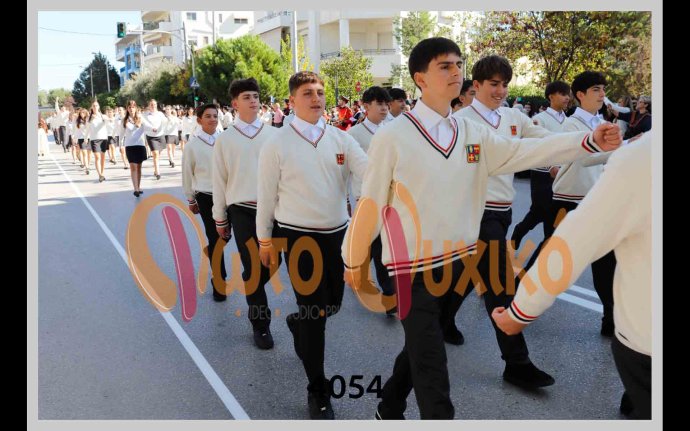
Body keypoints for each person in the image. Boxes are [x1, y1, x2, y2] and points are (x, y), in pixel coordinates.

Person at [341, 37, 622, 420]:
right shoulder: (393, 136)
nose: (456, 72)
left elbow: (523, 151)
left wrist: (587, 140)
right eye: (445, 66)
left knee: (420, 348)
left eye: (459, 64)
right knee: (432, 368)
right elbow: (371, 203)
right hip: (410, 271)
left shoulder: (470, 132)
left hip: (458, 262)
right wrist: (354, 259)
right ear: (420, 79)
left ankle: (388, 407)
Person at [492, 132, 652, 420]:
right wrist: (592, 142)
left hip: (646, 342)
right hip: (558, 199)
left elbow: (573, 245)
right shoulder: (637, 152)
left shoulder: (641, 152)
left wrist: (521, 311)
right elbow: (535, 150)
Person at [256, 71, 368, 419]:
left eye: (319, 92)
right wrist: (264, 239)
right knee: (314, 315)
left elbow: (369, 173)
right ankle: (317, 389)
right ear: (292, 101)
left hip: (337, 235)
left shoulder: (341, 139)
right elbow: (265, 196)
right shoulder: (276, 142)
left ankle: (297, 323)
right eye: (307, 93)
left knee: (332, 305)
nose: (316, 98)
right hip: (297, 237)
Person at [522, 71, 617, 337]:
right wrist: (619, 148)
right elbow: (585, 158)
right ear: (580, 95)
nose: (602, 94)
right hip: (567, 201)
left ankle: (610, 317)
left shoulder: (602, 122)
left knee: (605, 261)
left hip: (596, 201)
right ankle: (520, 293)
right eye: (596, 89)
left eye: (603, 89)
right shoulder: (571, 125)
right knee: (553, 257)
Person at [212, 78, 279, 347]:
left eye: (255, 96)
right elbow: (219, 181)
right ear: (235, 104)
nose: (253, 100)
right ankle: (261, 326)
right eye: (246, 97)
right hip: (242, 210)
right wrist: (220, 217)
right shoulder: (224, 140)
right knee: (253, 268)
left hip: (274, 210)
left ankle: (252, 280)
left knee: (273, 263)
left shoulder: (274, 135)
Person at [347, 86, 395, 315]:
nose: (384, 108)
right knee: (375, 244)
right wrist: (346, 201)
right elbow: (345, 171)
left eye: (386, 104)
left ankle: (385, 290)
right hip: (364, 197)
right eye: (379, 104)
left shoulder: (392, 131)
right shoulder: (354, 134)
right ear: (366, 106)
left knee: (381, 244)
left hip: (390, 197)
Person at [511, 80, 572, 248]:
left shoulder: (569, 121)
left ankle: (545, 247)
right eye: (563, 94)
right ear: (551, 96)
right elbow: (535, 146)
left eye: (568, 94)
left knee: (552, 214)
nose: (567, 98)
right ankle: (520, 231)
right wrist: (550, 166)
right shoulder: (539, 119)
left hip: (562, 174)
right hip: (542, 173)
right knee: (540, 210)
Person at [121, 100, 148, 197]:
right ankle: (135, 189)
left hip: (140, 145)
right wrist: (120, 145)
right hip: (129, 145)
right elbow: (121, 133)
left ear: (136, 108)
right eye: (129, 107)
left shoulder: (141, 118)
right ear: (127, 109)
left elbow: (147, 128)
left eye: (133, 107)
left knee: (139, 167)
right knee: (133, 167)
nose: (131, 109)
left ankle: (138, 187)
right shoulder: (124, 120)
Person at [140, 99, 167, 180]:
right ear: (149, 106)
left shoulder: (160, 114)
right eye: (151, 104)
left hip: (160, 135)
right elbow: (144, 123)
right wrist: (152, 128)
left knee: (158, 153)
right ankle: (158, 172)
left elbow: (164, 122)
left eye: (154, 104)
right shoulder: (145, 114)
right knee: (155, 153)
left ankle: (156, 169)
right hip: (151, 136)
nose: (153, 106)